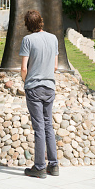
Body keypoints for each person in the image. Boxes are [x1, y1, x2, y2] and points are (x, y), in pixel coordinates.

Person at [20, 9, 59, 178]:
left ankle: (39, 167)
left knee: (39, 128)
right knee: (48, 125)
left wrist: (26, 81)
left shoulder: (27, 40)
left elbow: (23, 68)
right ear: (41, 21)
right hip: (49, 87)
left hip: (34, 88)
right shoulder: (53, 38)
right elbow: (55, 66)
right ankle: (54, 165)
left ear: (27, 24)